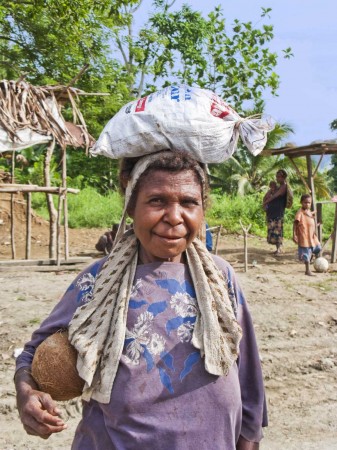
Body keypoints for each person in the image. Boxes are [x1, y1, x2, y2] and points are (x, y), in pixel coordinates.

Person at [15, 150, 267, 450]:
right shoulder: (99, 280)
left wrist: (249, 439)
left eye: (188, 202)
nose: (174, 217)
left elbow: (247, 374)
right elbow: (32, 353)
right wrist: (26, 393)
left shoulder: (220, 277)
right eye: (157, 201)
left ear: (202, 210)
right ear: (132, 206)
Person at [293, 194, 321, 276]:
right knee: (306, 253)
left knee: (318, 247)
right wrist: (294, 235)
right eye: (305, 202)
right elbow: (295, 224)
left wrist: (313, 216)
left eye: (309, 203)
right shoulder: (299, 213)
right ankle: (307, 270)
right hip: (304, 236)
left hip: (312, 236)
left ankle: (313, 258)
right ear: (301, 202)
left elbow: (309, 215)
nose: (307, 204)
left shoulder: (308, 211)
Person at [263, 169, 289, 255]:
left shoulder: (284, 187)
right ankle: (277, 249)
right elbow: (269, 194)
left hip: (278, 212)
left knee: (278, 231)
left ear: (283, 177)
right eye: (276, 177)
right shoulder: (277, 187)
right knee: (273, 230)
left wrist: (266, 202)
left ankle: (279, 249)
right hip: (272, 212)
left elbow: (275, 196)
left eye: (279, 177)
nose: (277, 179)